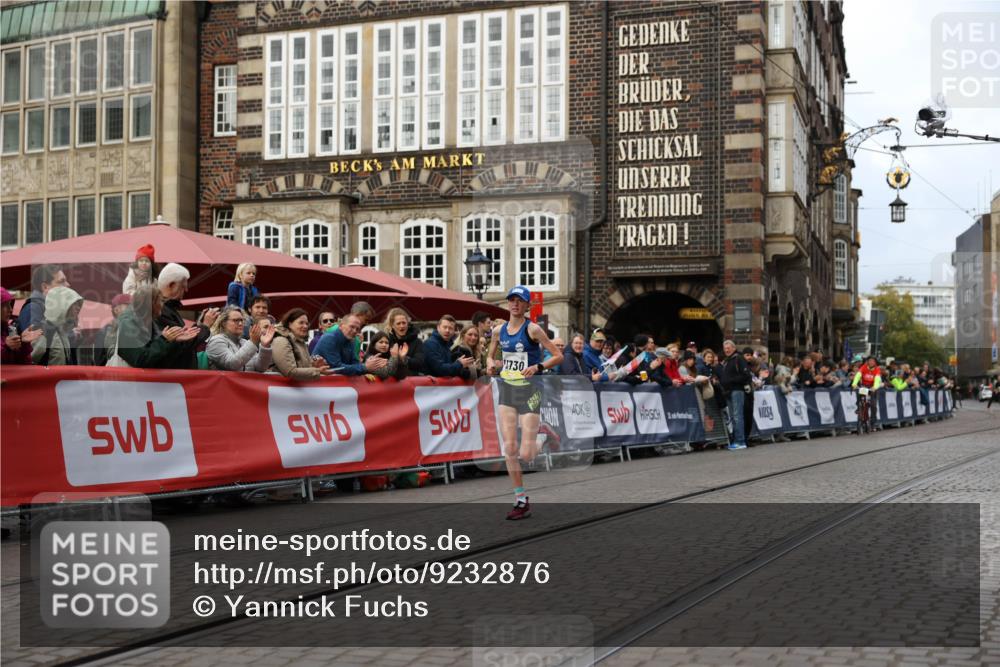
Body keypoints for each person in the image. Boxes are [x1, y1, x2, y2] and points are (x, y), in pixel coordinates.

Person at [486, 285, 563, 520]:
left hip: (531, 390)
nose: (515, 304)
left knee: (527, 454)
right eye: (511, 300)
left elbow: (559, 355)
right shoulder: (498, 331)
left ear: (527, 305)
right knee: (509, 448)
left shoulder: (533, 329)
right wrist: (491, 363)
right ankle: (520, 500)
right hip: (508, 390)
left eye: (520, 300)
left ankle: (544, 435)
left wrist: (538, 366)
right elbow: (491, 354)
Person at [114, 284, 199, 368]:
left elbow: (160, 361)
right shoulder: (127, 323)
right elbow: (140, 360)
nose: (163, 305)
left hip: (141, 380)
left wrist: (174, 341)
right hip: (126, 380)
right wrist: (164, 340)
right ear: (150, 304)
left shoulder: (149, 321)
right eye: (160, 300)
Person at [156, 263, 219, 368]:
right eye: (183, 286)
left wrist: (200, 323)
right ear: (171, 285)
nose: (186, 290)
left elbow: (185, 336)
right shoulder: (161, 310)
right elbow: (182, 344)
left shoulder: (168, 309)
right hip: (173, 377)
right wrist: (205, 325)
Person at [270, 308, 333, 380]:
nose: (305, 326)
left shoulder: (300, 342)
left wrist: (314, 365)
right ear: (290, 324)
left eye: (306, 323)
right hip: (282, 389)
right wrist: (318, 371)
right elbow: (290, 371)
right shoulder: (281, 340)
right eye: (301, 323)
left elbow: (302, 367)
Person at [206, 305, 274, 372]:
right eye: (236, 320)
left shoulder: (244, 342)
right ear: (224, 323)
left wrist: (265, 346)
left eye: (242, 320)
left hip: (246, 383)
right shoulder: (216, 341)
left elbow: (261, 368)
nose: (240, 323)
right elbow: (232, 364)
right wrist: (252, 342)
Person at [314, 313, 387, 375]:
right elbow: (336, 367)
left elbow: (354, 363)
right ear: (341, 326)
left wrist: (370, 362)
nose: (355, 331)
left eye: (357, 329)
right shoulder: (329, 338)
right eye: (352, 327)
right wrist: (364, 367)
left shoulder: (351, 340)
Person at [29, 286, 84, 366]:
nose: (78, 308)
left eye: (79, 304)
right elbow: (29, 364)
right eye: (74, 303)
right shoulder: (43, 331)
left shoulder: (62, 332)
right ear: (61, 305)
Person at [719, 339, 752, 450]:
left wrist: (731, 381)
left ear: (734, 348)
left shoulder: (739, 358)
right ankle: (737, 440)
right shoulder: (727, 360)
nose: (727, 350)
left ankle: (740, 441)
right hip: (728, 392)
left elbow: (746, 375)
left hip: (737, 390)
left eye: (729, 348)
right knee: (733, 417)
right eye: (725, 349)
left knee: (738, 416)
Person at [18, 264, 69, 332]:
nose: (68, 285)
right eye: (61, 281)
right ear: (45, 287)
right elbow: (39, 340)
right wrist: (71, 333)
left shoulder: (46, 307)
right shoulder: (33, 308)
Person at [2, 286, 41, 364]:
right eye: (5, 305)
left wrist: (23, 343)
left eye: (10, 305)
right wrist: (7, 347)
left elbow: (23, 362)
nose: (10, 309)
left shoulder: (10, 330)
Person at [92, 294, 132, 366]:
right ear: (116, 310)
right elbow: (99, 362)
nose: (132, 309)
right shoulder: (103, 333)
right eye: (128, 306)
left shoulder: (136, 330)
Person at [384, 307, 425, 376]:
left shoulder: (417, 342)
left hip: (411, 383)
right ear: (392, 326)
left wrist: (404, 359)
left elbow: (420, 363)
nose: (402, 326)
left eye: (404, 323)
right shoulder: (386, 341)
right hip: (390, 383)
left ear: (408, 324)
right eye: (398, 323)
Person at [851, 355, 883, 426]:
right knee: (858, 391)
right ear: (867, 361)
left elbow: (877, 380)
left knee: (873, 405)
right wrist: (854, 384)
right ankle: (859, 407)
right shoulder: (864, 367)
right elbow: (858, 375)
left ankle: (873, 421)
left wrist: (874, 387)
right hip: (864, 386)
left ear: (875, 362)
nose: (871, 362)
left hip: (873, 387)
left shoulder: (877, 369)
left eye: (873, 361)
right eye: (870, 361)